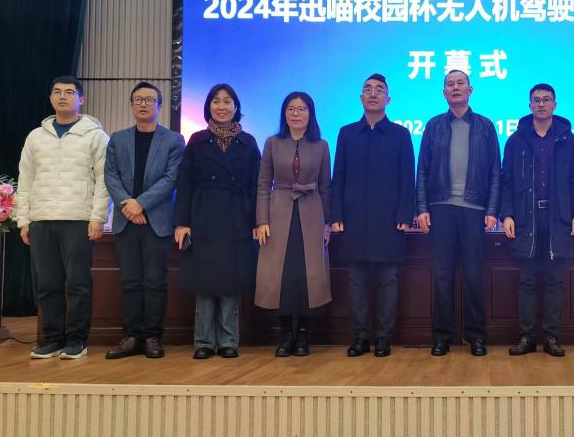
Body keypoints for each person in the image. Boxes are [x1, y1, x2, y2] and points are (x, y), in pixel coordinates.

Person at [17, 75, 109, 360]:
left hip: (78, 219)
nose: (63, 97)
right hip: (42, 219)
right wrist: (24, 219)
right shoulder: (36, 136)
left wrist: (98, 217)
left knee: (78, 284)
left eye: (69, 92)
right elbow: (25, 179)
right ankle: (52, 339)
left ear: (81, 99)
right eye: (57, 92)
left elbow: (103, 180)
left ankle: (77, 340)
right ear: (50, 98)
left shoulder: (95, 136)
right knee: (47, 284)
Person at [416, 69, 501, 357]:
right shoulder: (434, 125)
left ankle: (476, 337)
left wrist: (492, 209)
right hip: (441, 209)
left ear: (470, 89)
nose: (455, 88)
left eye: (460, 83)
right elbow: (423, 170)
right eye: (450, 84)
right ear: (444, 93)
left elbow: (495, 171)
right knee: (442, 277)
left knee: (474, 277)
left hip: (475, 211)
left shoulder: (485, 126)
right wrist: (422, 208)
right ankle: (441, 337)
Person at [330, 74, 415, 358]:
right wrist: (336, 214)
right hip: (354, 220)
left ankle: (383, 337)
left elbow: (408, 178)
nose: (373, 94)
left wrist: (405, 212)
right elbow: (339, 177)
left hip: (389, 220)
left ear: (388, 99)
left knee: (388, 281)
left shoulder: (401, 134)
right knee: (357, 282)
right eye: (368, 89)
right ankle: (361, 337)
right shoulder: (347, 133)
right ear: (361, 98)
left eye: (379, 90)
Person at [500, 83, 574, 357]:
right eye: (536, 100)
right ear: (529, 106)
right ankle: (527, 337)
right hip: (526, 219)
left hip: (558, 218)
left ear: (554, 104)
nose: (541, 104)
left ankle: (551, 337)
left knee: (554, 281)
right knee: (526, 281)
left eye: (546, 99)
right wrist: (507, 214)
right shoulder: (516, 140)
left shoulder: (568, 140)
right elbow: (506, 180)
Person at [174, 84, 260, 360]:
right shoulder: (197, 140)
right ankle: (203, 342)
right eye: (216, 101)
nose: (221, 106)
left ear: (236, 107)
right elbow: (185, 183)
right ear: (208, 106)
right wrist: (182, 222)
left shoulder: (248, 142)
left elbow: (257, 186)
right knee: (205, 281)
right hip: (203, 216)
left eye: (227, 101)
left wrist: (257, 221)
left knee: (230, 282)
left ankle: (228, 341)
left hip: (237, 218)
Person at [103, 82, 185, 359]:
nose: (143, 104)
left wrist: (141, 204)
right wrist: (128, 205)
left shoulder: (173, 140)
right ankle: (130, 336)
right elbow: (110, 175)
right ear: (131, 105)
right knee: (130, 281)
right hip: (126, 220)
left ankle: (151, 336)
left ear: (159, 106)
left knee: (155, 282)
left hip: (157, 222)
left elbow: (171, 179)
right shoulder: (118, 139)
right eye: (138, 99)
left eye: (149, 99)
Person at [255, 92, 332, 357]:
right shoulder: (272, 143)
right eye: (291, 109)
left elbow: (326, 187)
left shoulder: (321, 145)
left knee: (308, 276)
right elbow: (263, 184)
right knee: (282, 276)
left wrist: (328, 223)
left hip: (312, 213)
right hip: (278, 212)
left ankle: (303, 336)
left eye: (302, 109)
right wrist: (262, 220)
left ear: (311, 114)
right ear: (284, 113)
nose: (296, 113)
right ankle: (286, 334)